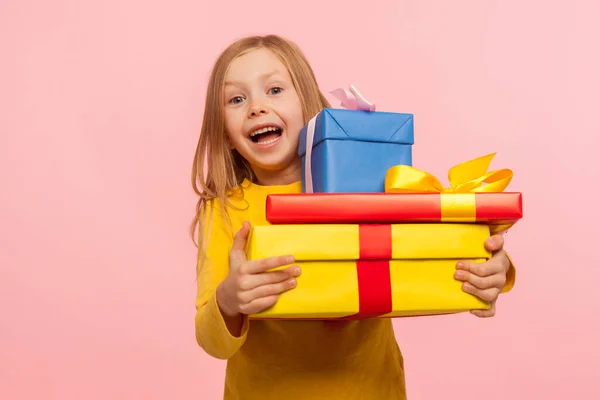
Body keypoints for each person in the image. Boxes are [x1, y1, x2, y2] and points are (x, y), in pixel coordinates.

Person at [190, 34, 516, 400]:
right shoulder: (223, 208)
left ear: (311, 107)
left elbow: (430, 253)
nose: (256, 107)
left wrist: (490, 267)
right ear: (226, 134)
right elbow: (210, 338)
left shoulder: (370, 185)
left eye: (275, 89)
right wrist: (228, 301)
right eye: (237, 99)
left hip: (372, 389)